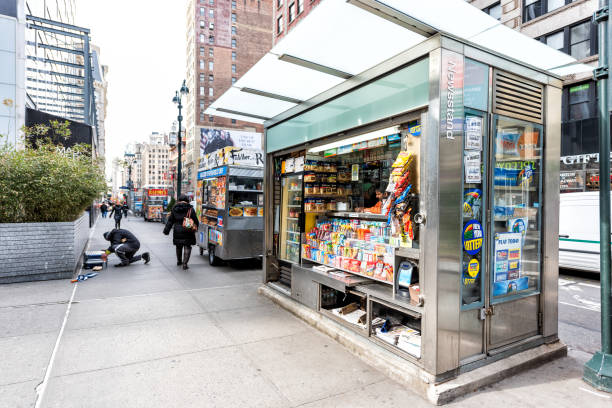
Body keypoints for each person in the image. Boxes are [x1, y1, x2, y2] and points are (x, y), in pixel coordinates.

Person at [163, 195, 199, 270]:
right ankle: (185, 264)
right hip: (188, 230)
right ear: (187, 200)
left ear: (179, 200)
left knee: (178, 246)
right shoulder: (190, 209)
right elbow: (195, 220)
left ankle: (179, 261)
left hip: (177, 230)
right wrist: (196, 227)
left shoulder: (174, 208)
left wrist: (166, 231)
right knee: (187, 246)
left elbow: (170, 221)